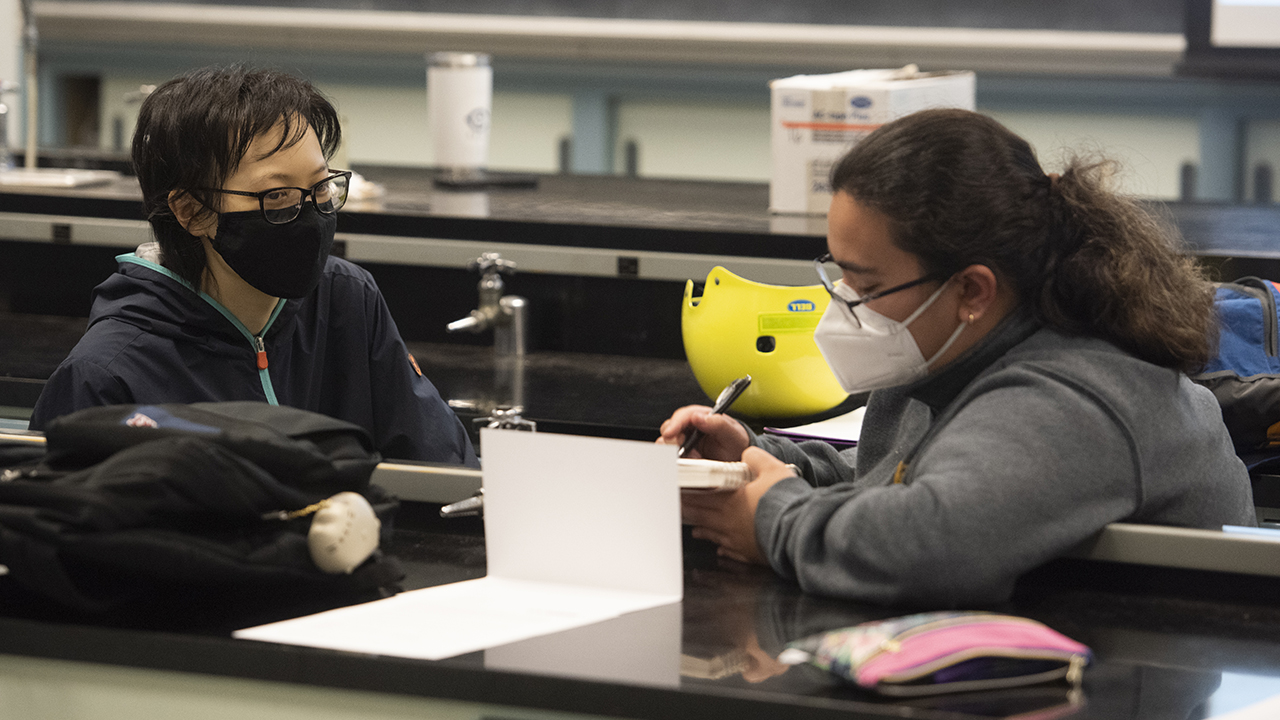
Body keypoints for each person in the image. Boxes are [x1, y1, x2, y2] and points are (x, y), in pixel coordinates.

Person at [661, 108, 1255, 606]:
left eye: (867, 289)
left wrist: (772, 521)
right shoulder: (948, 353)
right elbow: (898, 475)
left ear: (972, 290)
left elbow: (932, 545)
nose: (846, 307)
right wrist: (753, 458)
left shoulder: (1074, 397)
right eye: (839, 278)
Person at [30, 66, 477, 468]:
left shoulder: (347, 300)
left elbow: (445, 467)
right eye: (277, 195)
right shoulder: (106, 376)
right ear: (192, 212)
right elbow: (59, 530)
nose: (310, 214)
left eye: (321, 187)